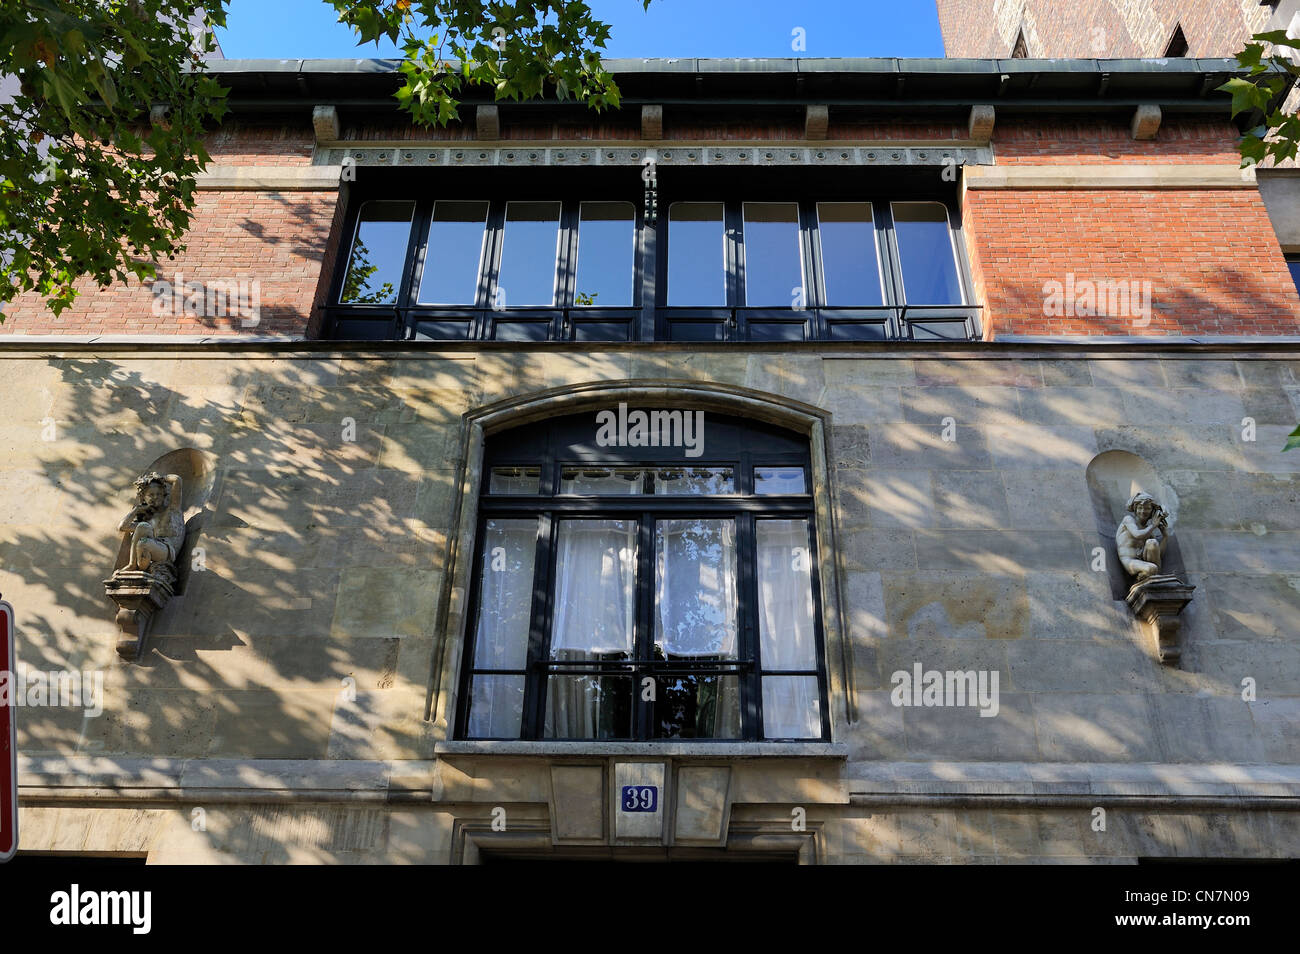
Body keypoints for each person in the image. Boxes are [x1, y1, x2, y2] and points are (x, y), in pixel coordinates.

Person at [118, 472, 185, 581]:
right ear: (144, 498)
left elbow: (177, 480)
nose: (155, 497)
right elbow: (123, 527)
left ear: (164, 495)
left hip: (167, 552)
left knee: (143, 542)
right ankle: (132, 565)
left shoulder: (173, 509)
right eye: (151, 495)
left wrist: (160, 478)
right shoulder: (148, 520)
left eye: (158, 494)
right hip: (146, 552)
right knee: (142, 527)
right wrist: (137, 510)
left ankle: (137, 564)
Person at [1116, 491, 1167, 581]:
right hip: (1130, 562)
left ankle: (1152, 575)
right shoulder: (1128, 520)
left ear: (1152, 511)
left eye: (1147, 508)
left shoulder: (1148, 530)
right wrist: (1153, 525)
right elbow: (1137, 534)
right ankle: (1147, 575)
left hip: (1144, 563)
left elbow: (1158, 555)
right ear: (1135, 509)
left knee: (1152, 543)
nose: (1143, 511)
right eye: (1140, 508)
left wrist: (1165, 536)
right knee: (1152, 568)